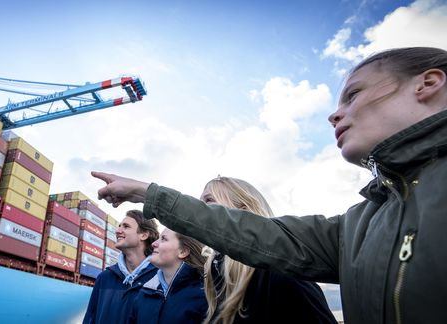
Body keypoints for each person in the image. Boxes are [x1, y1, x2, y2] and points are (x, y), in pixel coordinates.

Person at [91, 47, 447, 324]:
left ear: (428, 84)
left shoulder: (280, 279)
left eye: (352, 95)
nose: (334, 114)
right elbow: (260, 235)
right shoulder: (356, 226)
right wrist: (146, 193)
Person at [201, 176, 336, 323]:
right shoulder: (215, 281)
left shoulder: (283, 274)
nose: (198, 209)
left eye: (208, 200)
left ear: (243, 211)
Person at [83, 210, 159, 324]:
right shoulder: (104, 278)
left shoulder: (159, 278)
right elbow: (90, 318)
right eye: (119, 226)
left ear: (144, 235)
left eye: (126, 226)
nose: (118, 231)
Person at [128, 228, 207, 324]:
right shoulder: (144, 293)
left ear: (183, 251)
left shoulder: (204, 296)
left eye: (164, 239)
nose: (154, 244)